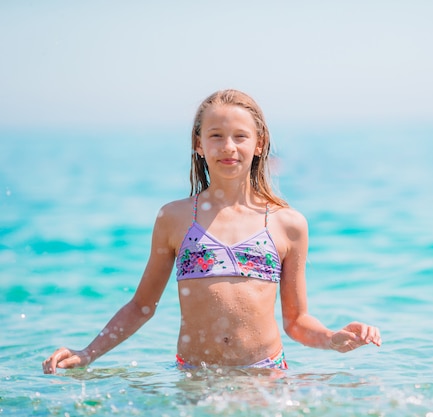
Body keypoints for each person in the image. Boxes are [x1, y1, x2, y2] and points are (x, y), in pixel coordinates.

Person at [42, 89, 381, 373]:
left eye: (240, 136)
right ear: (199, 144)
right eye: (216, 136)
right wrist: (88, 353)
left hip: (264, 374)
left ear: (259, 144)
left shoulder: (287, 223)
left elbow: (296, 320)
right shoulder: (174, 218)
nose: (228, 147)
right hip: (194, 375)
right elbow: (141, 306)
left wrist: (330, 338)